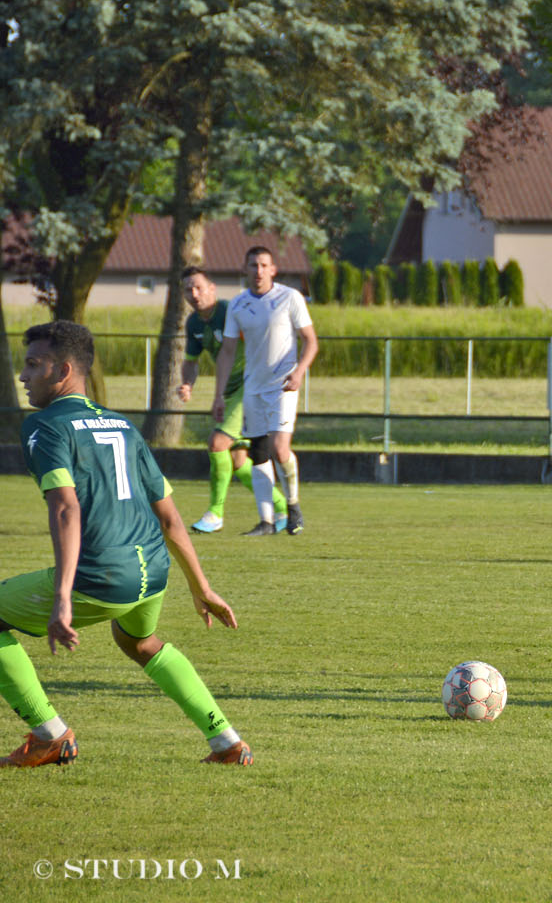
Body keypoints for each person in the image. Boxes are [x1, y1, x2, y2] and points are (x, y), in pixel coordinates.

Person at [0, 321, 252, 767]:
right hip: (152, 571)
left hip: (103, 576)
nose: (23, 376)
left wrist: (62, 599)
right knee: (140, 643)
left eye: (33, 365)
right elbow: (170, 517)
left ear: (63, 370)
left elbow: (65, 509)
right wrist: (202, 587)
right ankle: (227, 741)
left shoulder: (45, 426)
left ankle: (49, 735)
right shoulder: (122, 425)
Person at [213, 246, 317, 536]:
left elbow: (311, 341)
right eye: (253, 265)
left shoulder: (289, 297)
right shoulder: (237, 304)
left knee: (279, 448)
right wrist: (219, 395)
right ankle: (266, 522)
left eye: (263, 265)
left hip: (283, 385)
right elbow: (228, 350)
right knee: (258, 452)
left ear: (273, 269)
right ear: (245, 269)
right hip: (253, 388)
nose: (258, 271)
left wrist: (299, 372)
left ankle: (293, 505)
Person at [178, 267, 288, 533]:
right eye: (187, 289)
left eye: (198, 287)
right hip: (229, 390)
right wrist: (187, 384)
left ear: (212, 288)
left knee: (217, 444)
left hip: (252, 386)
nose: (194, 294)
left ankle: (215, 514)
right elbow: (191, 361)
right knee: (238, 461)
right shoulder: (194, 323)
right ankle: (281, 508)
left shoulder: (231, 311)